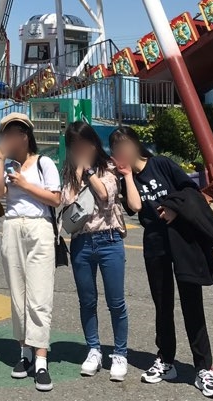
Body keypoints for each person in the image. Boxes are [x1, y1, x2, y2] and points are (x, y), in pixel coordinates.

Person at [110, 126, 213, 399]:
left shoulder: (161, 164)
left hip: (182, 241)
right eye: (117, 148)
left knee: (192, 304)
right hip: (155, 244)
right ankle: (166, 360)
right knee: (162, 305)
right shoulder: (126, 178)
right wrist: (127, 176)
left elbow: (191, 190)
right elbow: (135, 208)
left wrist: (173, 208)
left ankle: (204, 368)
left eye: (125, 145)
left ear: (136, 144)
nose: (122, 151)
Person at [0, 112, 61, 393]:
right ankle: (25, 353)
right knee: (18, 296)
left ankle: (41, 360)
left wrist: (24, 185)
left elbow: (55, 198)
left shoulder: (44, 163)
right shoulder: (6, 164)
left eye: (13, 134)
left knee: (39, 296)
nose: (8, 139)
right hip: (11, 227)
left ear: (24, 137)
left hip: (38, 227)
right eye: (5, 134)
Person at [61, 121, 131, 382]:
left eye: (85, 144)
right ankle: (93, 349)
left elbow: (104, 196)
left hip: (109, 240)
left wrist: (88, 170)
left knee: (116, 302)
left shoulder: (108, 169)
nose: (81, 149)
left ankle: (120, 353)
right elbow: (67, 203)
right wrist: (77, 173)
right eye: (75, 146)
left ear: (93, 143)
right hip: (81, 242)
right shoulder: (70, 174)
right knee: (87, 301)